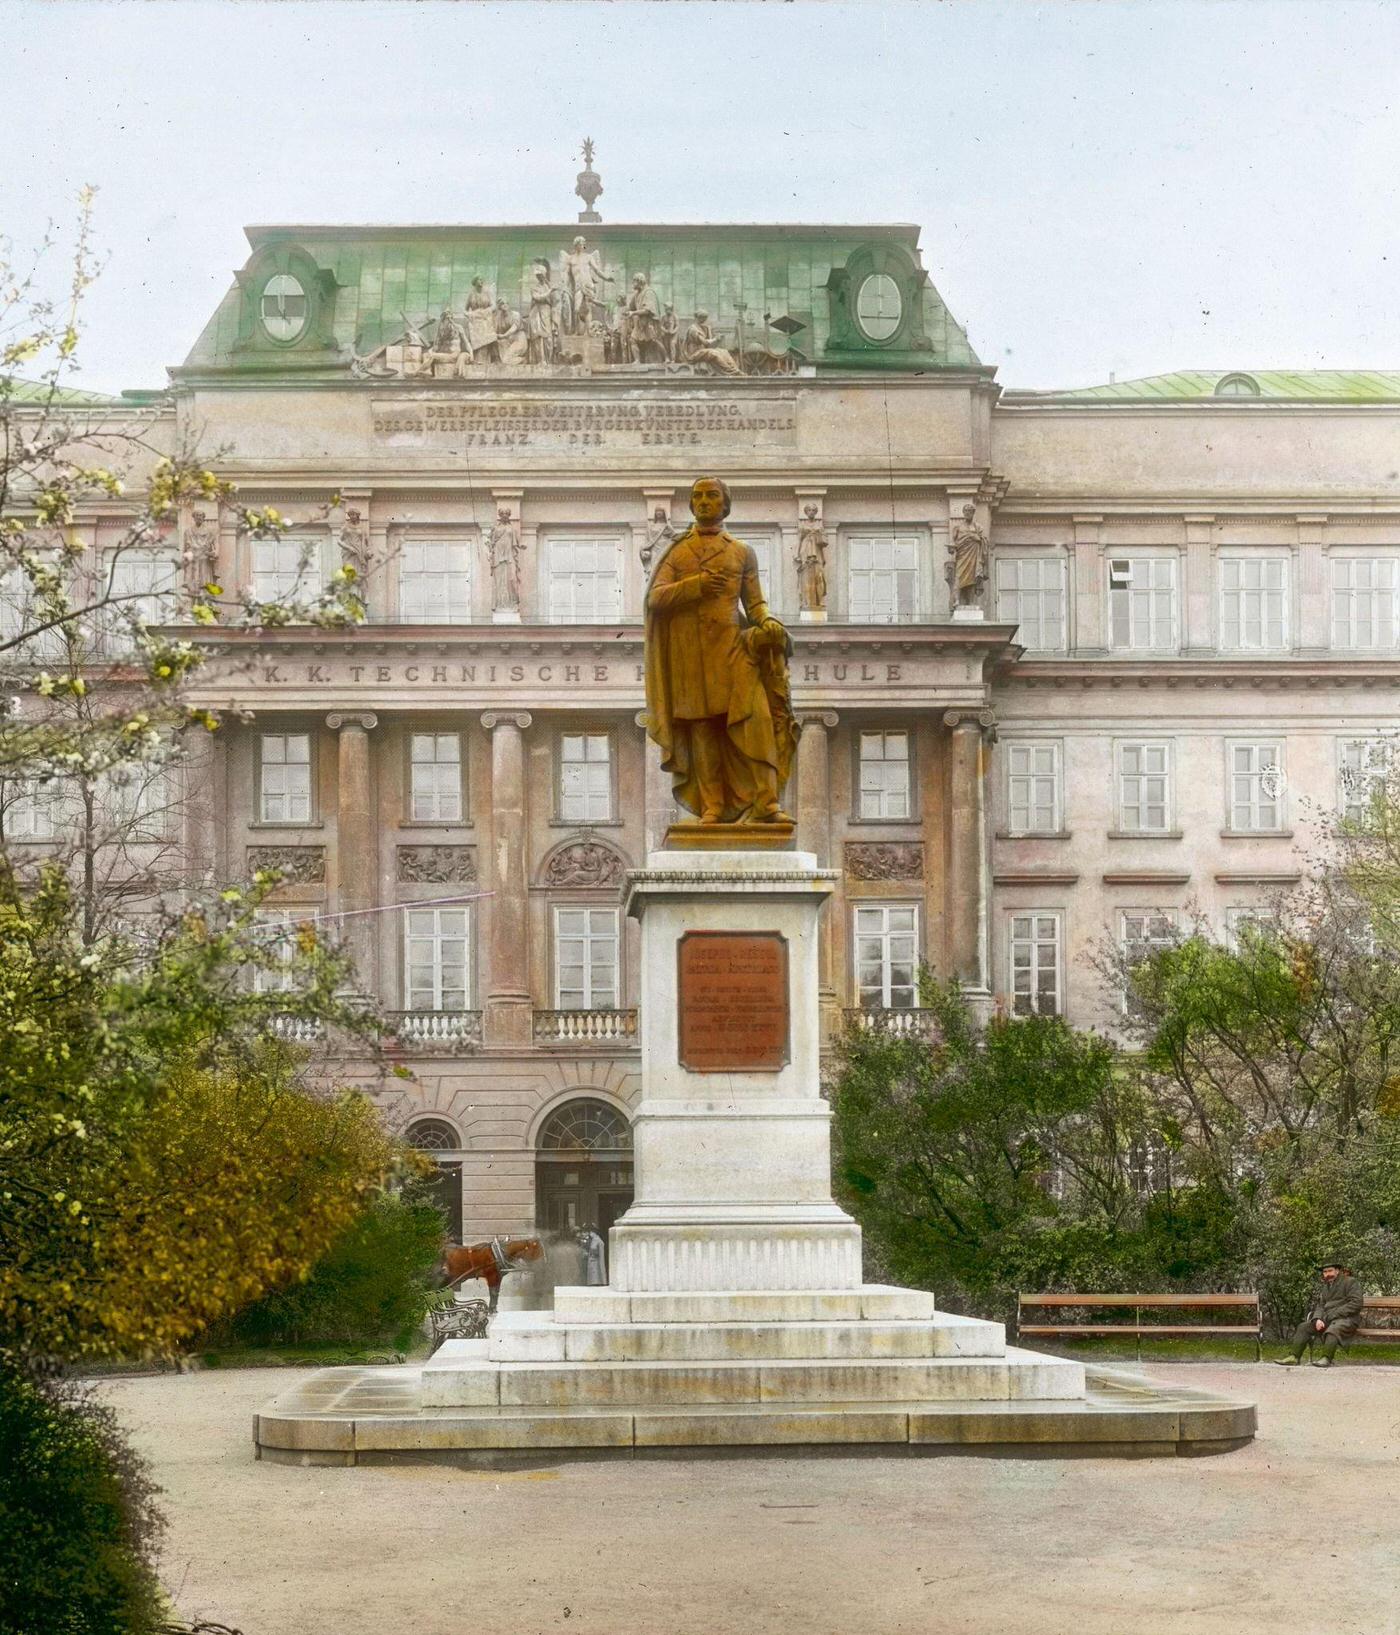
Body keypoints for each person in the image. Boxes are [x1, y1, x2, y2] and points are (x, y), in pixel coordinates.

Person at [643, 476, 797, 825]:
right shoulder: (678, 551)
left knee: (756, 720)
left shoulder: (741, 551)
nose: (703, 501)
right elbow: (655, 598)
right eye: (697, 496)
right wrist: (695, 586)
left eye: (712, 496)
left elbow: (755, 604)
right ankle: (712, 807)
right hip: (691, 655)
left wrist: (768, 621)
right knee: (703, 729)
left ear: (725, 504)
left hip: (733, 649)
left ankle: (767, 801)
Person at [1276, 1260, 1365, 1366]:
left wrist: (1333, 1314)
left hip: (1347, 1320)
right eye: (1325, 1272)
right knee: (1303, 1327)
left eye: (1330, 1271)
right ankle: (1294, 1357)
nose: (1327, 1274)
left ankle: (1326, 1358)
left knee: (1333, 1330)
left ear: (1337, 1271)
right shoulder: (1326, 1286)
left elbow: (1356, 1303)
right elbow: (1320, 1306)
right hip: (1328, 1319)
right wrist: (1317, 1319)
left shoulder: (1350, 1282)